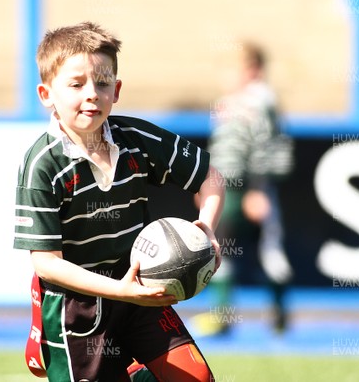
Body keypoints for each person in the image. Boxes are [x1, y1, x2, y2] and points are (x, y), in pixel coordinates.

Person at [14, 22, 225, 382]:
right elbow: (47, 265)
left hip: (139, 286)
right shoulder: (42, 165)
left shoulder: (137, 139)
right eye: (76, 84)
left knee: (195, 379)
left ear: (117, 90)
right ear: (46, 93)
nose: (92, 94)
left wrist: (205, 227)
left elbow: (211, 177)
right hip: (74, 305)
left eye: (103, 82)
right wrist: (120, 291)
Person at [197, 42, 294, 335]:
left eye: (232, 68)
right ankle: (223, 316)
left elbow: (267, 148)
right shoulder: (232, 102)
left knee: (269, 249)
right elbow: (225, 149)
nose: (226, 76)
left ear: (252, 69)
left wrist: (258, 188)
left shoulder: (260, 102)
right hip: (226, 185)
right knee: (218, 247)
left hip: (249, 188)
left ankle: (278, 316)